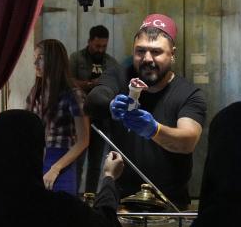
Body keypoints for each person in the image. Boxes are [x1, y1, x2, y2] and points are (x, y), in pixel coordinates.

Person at [85, 14, 206, 208]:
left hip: (169, 204)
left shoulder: (188, 94)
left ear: (172, 53)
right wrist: (110, 104)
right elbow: (94, 98)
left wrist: (154, 130)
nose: (147, 59)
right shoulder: (119, 76)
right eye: (140, 51)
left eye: (156, 52)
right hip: (121, 202)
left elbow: (187, 141)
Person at [27, 39, 90, 193]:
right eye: (35, 57)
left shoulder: (73, 95)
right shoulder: (35, 94)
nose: (35, 62)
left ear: (54, 59)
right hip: (37, 157)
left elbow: (83, 140)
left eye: (41, 57)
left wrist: (55, 168)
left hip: (62, 160)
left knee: (61, 210)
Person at [70, 25, 120, 193]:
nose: (100, 49)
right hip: (80, 116)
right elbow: (68, 82)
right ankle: (75, 196)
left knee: (96, 163)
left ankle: (90, 198)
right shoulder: (76, 59)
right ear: (89, 41)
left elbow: (116, 86)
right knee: (77, 160)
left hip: (101, 119)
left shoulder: (111, 63)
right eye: (97, 46)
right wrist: (91, 85)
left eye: (104, 46)